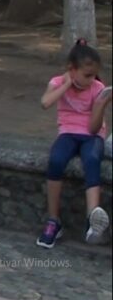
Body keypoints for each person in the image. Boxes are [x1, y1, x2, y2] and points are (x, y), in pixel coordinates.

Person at [37, 39, 111, 248]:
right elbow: (45, 103)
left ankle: (92, 220)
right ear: (72, 69)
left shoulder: (97, 87)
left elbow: (94, 129)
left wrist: (101, 104)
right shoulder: (57, 82)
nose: (91, 80)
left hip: (92, 135)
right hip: (68, 132)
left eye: (93, 75)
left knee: (92, 159)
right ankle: (53, 220)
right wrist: (67, 84)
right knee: (56, 160)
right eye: (87, 75)